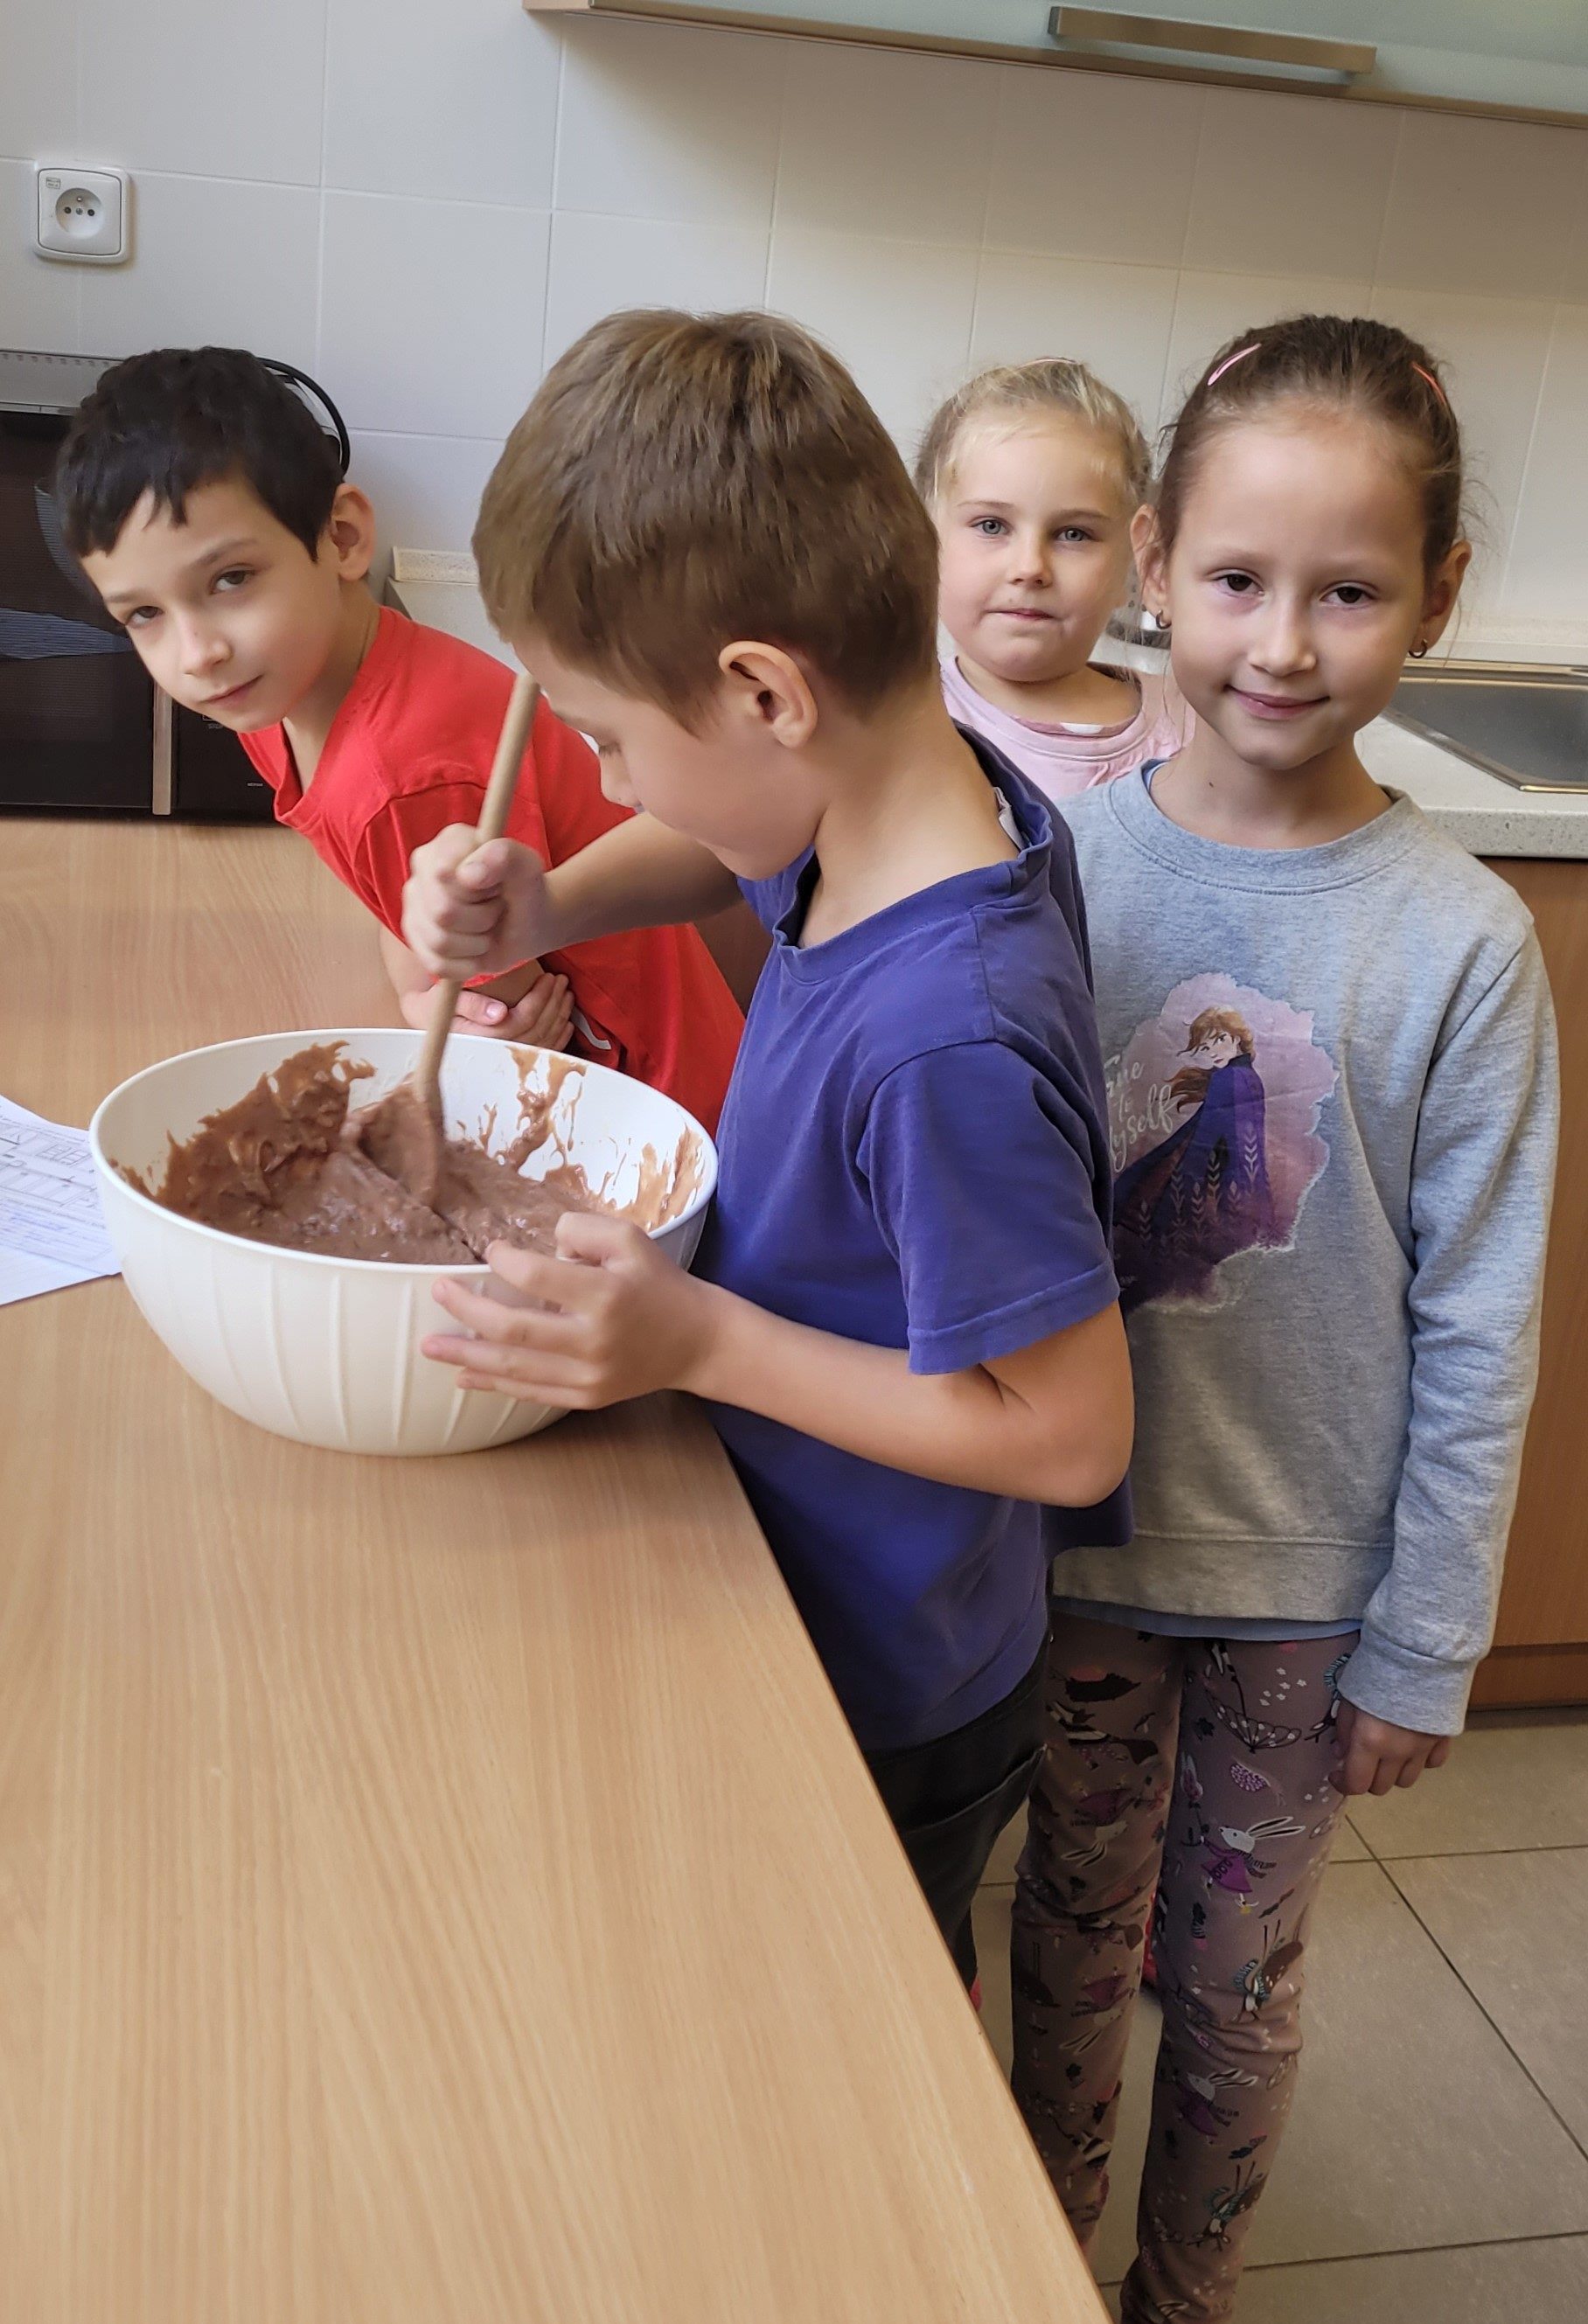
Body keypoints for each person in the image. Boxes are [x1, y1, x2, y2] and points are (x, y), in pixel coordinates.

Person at [400, 309, 1135, 1990]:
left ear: (762, 691)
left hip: (889, 1669)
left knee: (853, 2011)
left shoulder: (945, 1035)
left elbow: (1071, 1433)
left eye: (604, 736)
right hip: (805, 1560)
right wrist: (549, 899)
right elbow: (733, 845)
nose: (604, 778)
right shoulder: (897, 792)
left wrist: (700, 1341)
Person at [1013, 314, 1558, 2322]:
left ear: (1438, 595)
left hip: (1306, 1606)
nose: (1280, 642)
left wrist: (1426, 1637)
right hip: (1072, 1558)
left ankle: (1182, 2296)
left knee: (1230, 1985)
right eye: (1237, 579)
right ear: (1156, 566)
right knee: (1063, 1943)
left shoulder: (1461, 941)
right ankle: (1027, 2264)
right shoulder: (1051, 870)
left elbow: (1484, 1319)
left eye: (1347, 591)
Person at [53, 345, 742, 1132]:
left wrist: (451, 1005)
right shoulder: (281, 701)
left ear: (343, 537)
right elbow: (401, 900)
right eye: (145, 614)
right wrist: (422, 991)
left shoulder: (401, 771)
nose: (197, 653)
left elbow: (513, 1017)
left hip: (656, 1102)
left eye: (231, 579)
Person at [916, 358, 1184, 803]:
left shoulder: (1193, 726)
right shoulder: (895, 727)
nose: (1030, 567)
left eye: (1073, 534)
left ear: (1137, 560)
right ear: (923, 541)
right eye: (991, 526)